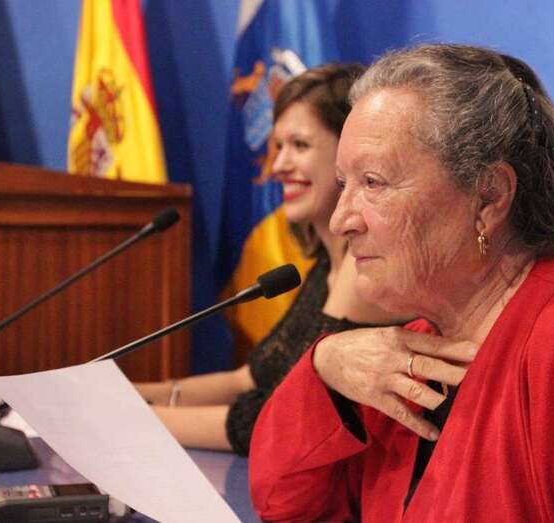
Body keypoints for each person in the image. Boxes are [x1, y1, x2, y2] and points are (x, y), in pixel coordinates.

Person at [249, 44, 554, 521]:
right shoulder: (413, 353)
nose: (341, 220)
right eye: (343, 185)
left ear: (489, 197)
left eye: (373, 183)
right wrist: (324, 372)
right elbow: (289, 504)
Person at [136, 63, 401, 455]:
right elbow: (251, 378)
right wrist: (133, 394)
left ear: (350, 151)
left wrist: (141, 420)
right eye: (278, 147)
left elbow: (286, 417)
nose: (277, 166)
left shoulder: (364, 272)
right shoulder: (327, 265)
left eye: (300, 145)